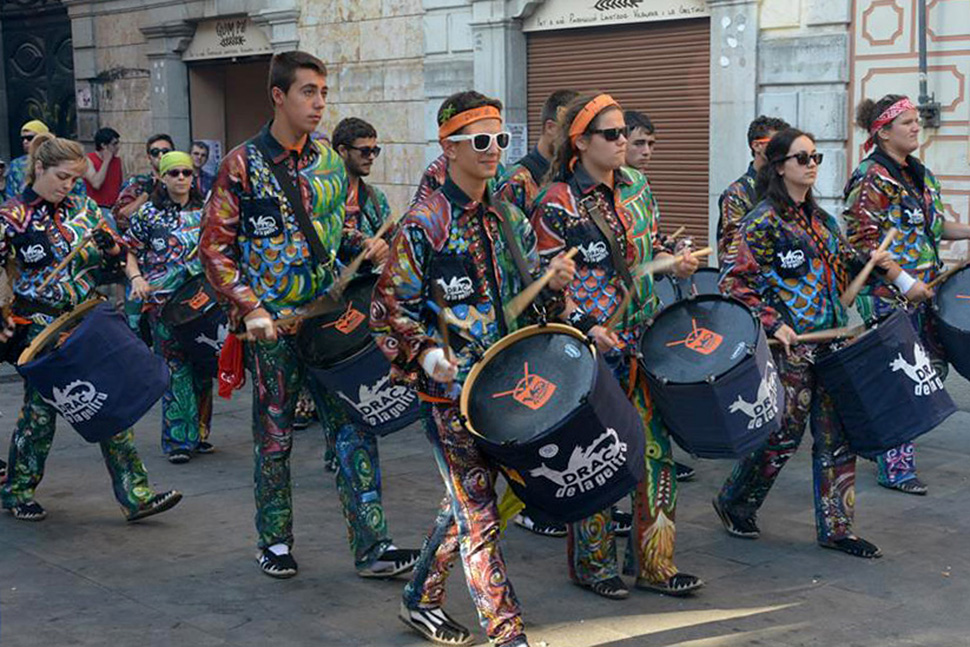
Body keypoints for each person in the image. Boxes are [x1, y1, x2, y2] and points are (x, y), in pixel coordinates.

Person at [200, 51, 418, 582]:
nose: (319, 103)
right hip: (272, 330)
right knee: (275, 436)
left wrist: (365, 247)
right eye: (307, 92)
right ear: (278, 95)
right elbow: (214, 250)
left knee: (354, 427)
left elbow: (334, 233)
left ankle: (373, 546)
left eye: (323, 92)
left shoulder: (328, 163)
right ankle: (273, 541)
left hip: (330, 323)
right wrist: (249, 307)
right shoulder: (241, 164)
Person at [373, 90, 576, 647]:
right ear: (450, 146)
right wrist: (423, 353)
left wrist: (550, 286)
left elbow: (530, 300)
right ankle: (507, 633)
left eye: (500, 140)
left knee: (470, 504)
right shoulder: (424, 223)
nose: (493, 151)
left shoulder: (509, 216)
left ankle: (419, 599)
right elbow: (387, 308)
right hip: (449, 397)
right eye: (480, 141)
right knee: (479, 514)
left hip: (508, 388)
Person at [712, 127, 917, 559]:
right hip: (789, 349)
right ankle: (735, 501)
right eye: (802, 158)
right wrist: (772, 323)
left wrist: (874, 264)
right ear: (779, 166)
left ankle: (837, 527)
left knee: (836, 436)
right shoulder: (761, 222)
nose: (812, 165)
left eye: (816, 157)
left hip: (832, 344)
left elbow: (844, 261)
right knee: (780, 438)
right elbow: (735, 281)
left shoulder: (820, 220)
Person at [532, 93, 702, 600]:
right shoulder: (555, 203)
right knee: (596, 458)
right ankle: (594, 564)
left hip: (643, 343)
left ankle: (655, 562)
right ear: (580, 143)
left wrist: (678, 258)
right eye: (611, 133)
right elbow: (546, 286)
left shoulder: (638, 187)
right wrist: (584, 325)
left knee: (654, 454)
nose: (623, 140)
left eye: (625, 131)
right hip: (590, 351)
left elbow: (651, 249)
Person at [0, 132, 182, 522]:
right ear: (40, 168)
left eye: (74, 179)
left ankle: (136, 495)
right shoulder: (12, 215)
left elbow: (116, 254)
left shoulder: (80, 207)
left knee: (107, 402)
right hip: (40, 326)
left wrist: (112, 248)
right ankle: (17, 490)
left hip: (85, 319)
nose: (68, 186)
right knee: (41, 414)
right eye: (62, 177)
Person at [843, 94, 970, 495]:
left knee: (931, 367)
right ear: (882, 132)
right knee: (904, 372)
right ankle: (895, 467)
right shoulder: (870, 178)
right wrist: (903, 281)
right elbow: (862, 241)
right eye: (907, 123)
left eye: (917, 121)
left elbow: (934, 227)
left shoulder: (918, 173)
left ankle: (871, 432)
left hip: (925, 291)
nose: (916, 127)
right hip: (888, 294)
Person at [124, 151, 214, 464]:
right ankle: (178, 440)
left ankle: (200, 434)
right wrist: (136, 278)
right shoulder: (147, 214)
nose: (180, 178)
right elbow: (129, 251)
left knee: (203, 368)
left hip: (203, 302)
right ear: (161, 177)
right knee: (175, 369)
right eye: (173, 173)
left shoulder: (208, 210)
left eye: (186, 173)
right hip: (163, 304)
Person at [717, 116, 790, 269]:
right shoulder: (737, 193)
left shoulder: (788, 186)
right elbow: (732, 251)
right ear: (757, 146)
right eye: (777, 144)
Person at [494, 89, 578, 215]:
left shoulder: (579, 174)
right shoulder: (516, 182)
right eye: (570, 132)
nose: (577, 140)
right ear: (550, 127)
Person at [113, 133, 175, 233]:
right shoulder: (137, 183)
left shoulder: (184, 181)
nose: (161, 155)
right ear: (149, 157)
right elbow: (121, 217)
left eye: (165, 151)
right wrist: (146, 194)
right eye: (155, 152)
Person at [84, 127, 125, 229]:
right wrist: (106, 161)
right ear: (103, 145)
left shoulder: (117, 161)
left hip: (114, 209)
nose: (117, 147)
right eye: (114, 144)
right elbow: (96, 183)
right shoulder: (89, 160)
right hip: (97, 208)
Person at [6, 120, 51, 200]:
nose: (25, 141)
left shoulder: (57, 161)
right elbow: (11, 193)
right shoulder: (16, 165)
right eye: (23, 139)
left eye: (30, 138)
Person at [623, 110, 656, 174]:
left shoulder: (641, 181)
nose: (647, 152)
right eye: (639, 144)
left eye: (650, 144)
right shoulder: (607, 182)